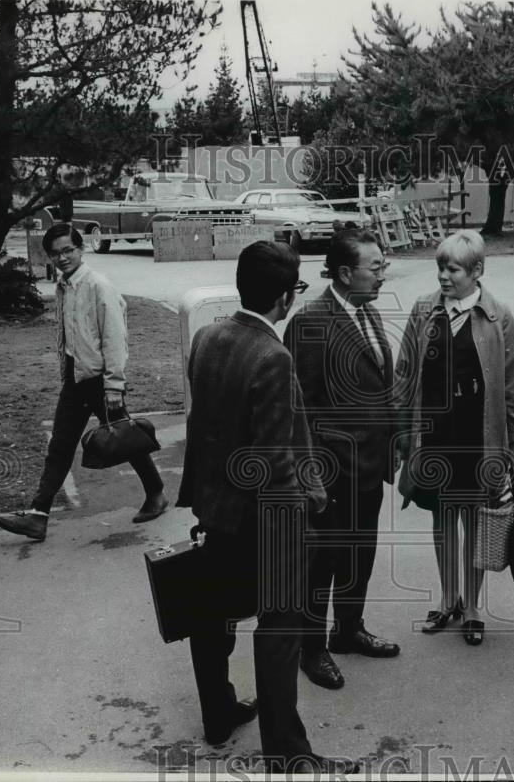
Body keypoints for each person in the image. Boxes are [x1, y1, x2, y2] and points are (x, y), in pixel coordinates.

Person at [176, 240, 354, 775]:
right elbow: (276, 462)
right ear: (284, 296)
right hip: (265, 521)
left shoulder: (207, 336)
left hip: (213, 509)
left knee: (211, 614)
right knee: (279, 630)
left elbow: (204, 423)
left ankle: (219, 712)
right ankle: (286, 751)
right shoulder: (273, 356)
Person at [396, 230, 514, 646]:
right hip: (435, 435)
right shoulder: (423, 309)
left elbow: (512, 382)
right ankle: (448, 597)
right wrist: (402, 432)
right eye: (440, 267)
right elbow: (404, 373)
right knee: (442, 518)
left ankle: (471, 606)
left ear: (477, 271)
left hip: (476, 432)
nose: (444, 276)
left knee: (473, 518)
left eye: (453, 269)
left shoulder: (497, 315)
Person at [0, 223, 167, 542]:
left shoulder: (98, 286)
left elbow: (115, 339)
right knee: (59, 446)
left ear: (81, 249)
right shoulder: (64, 286)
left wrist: (114, 385)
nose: (62, 258)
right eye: (55, 253)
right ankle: (38, 516)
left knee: (125, 438)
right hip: (76, 379)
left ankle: (156, 492)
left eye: (68, 250)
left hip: (101, 380)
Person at [283, 228, 400, 693]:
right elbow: (299, 409)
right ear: (346, 272)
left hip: (369, 469)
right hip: (330, 473)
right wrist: (311, 474)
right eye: (376, 266)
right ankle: (311, 649)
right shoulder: (310, 322)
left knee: (359, 554)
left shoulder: (367, 312)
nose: (383, 273)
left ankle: (348, 629)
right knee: (322, 562)